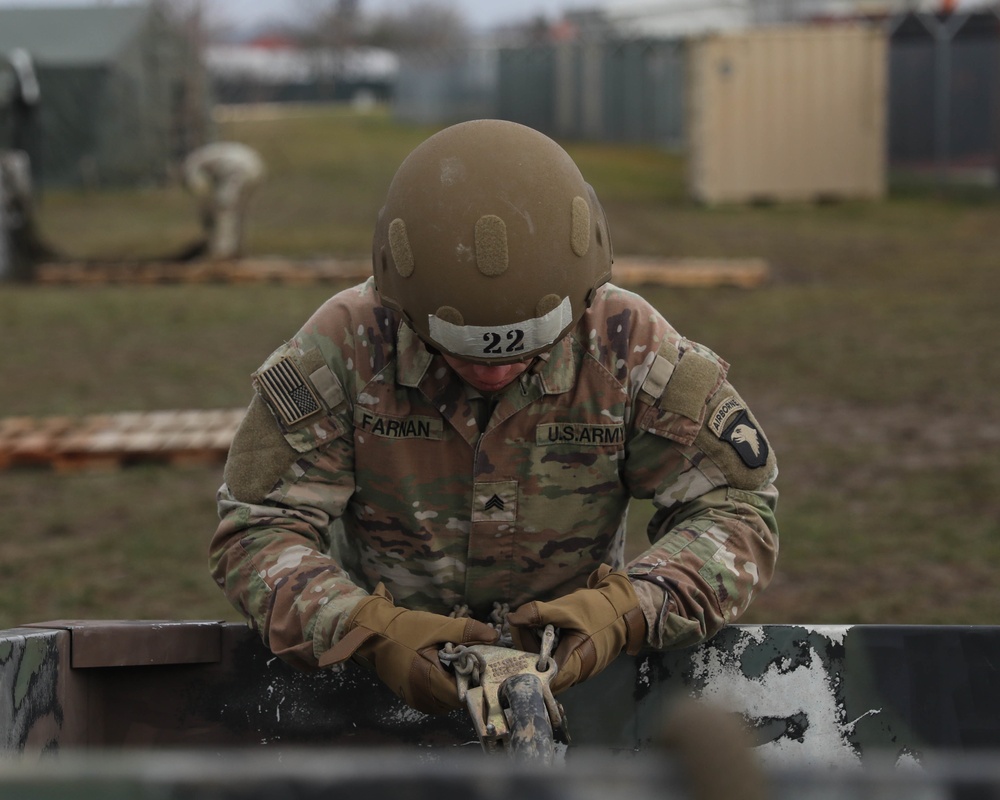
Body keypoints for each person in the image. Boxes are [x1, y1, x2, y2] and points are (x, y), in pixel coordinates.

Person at [210, 119, 778, 715]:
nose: (493, 374)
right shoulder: (344, 348)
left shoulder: (627, 349)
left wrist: (629, 611)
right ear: (404, 310)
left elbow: (738, 506)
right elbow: (257, 527)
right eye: (461, 352)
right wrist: (365, 631)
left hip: (581, 688)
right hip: (380, 693)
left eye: (526, 353)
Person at [182, 141, 265, 260]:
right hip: (254, 165)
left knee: (224, 208)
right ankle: (235, 248)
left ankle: (222, 252)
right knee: (237, 212)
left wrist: (207, 210)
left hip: (238, 169)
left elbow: (198, 188)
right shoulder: (204, 158)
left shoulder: (192, 165)